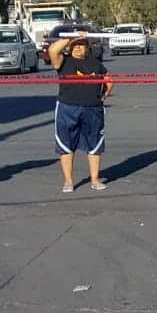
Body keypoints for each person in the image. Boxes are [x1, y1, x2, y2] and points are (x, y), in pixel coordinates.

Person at [50, 30, 113, 193]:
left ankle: (95, 180)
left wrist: (105, 93)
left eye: (82, 45)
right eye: (75, 45)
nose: (79, 48)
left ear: (88, 48)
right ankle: (68, 182)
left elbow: (108, 78)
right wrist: (71, 37)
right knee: (66, 145)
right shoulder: (63, 61)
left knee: (95, 145)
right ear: (70, 48)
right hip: (67, 108)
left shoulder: (95, 63)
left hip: (93, 108)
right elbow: (52, 51)